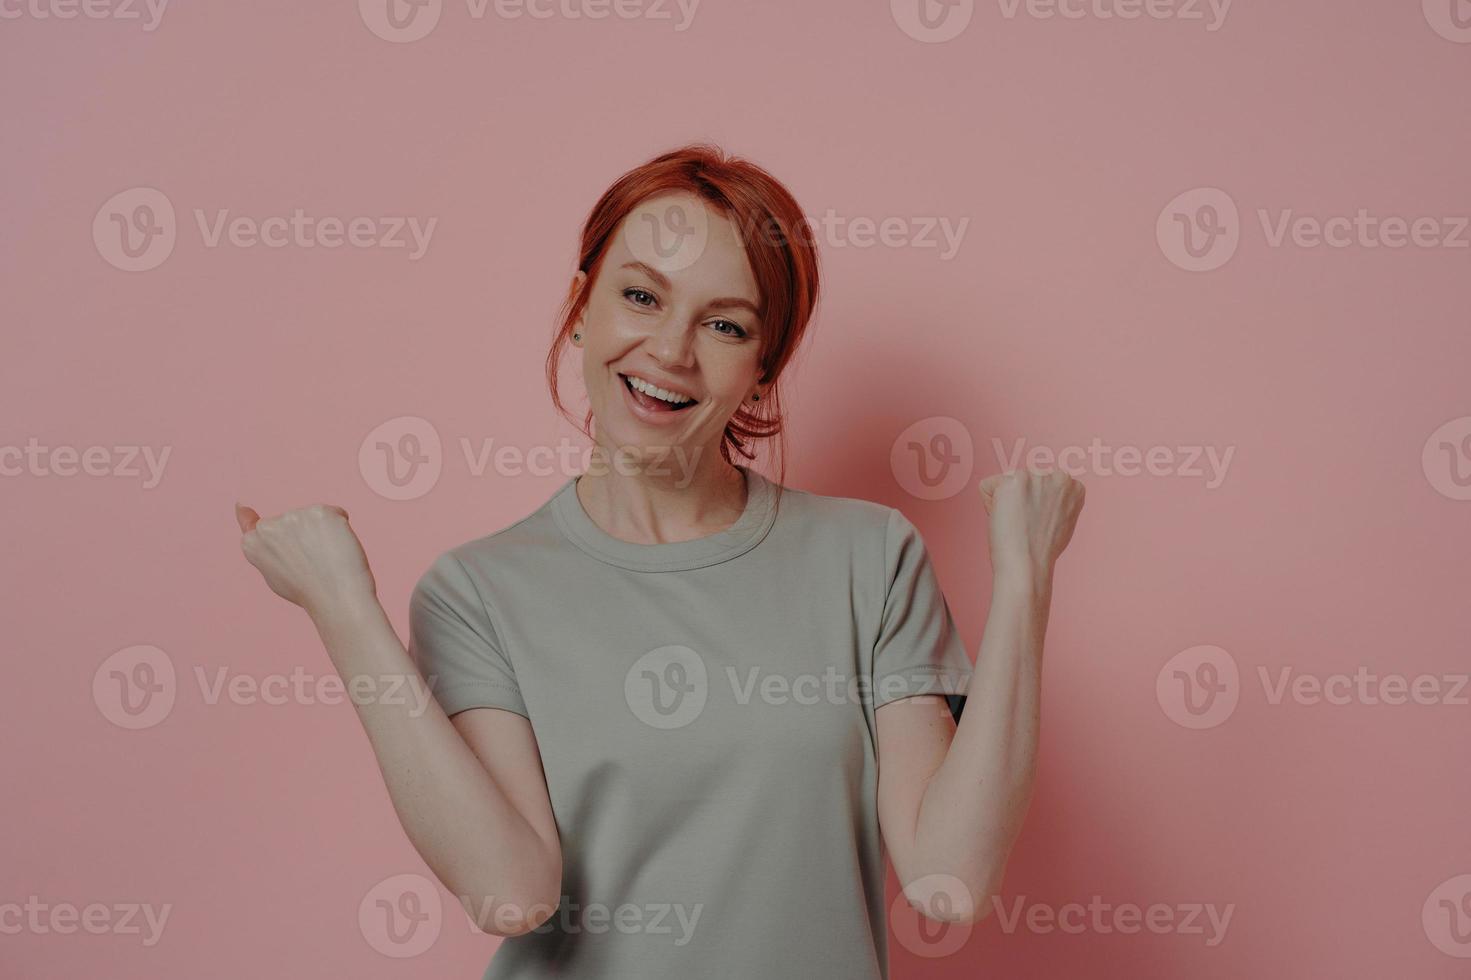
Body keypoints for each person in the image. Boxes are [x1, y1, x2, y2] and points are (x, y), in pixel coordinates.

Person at [235, 143, 1085, 979]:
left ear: (762, 370)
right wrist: (342, 605)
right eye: (641, 296)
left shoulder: (870, 557)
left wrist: (1024, 578)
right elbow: (508, 895)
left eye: (723, 324)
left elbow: (953, 882)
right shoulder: (477, 592)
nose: (672, 352)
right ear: (580, 310)